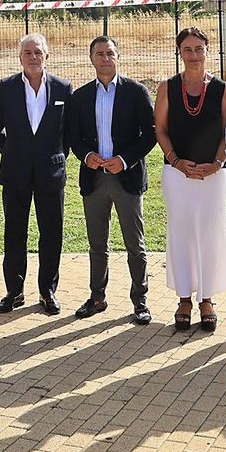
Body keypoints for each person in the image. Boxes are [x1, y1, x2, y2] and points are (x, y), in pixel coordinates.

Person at [66, 36, 157, 325]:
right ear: (91, 58)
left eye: (110, 53)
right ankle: (97, 297)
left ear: (118, 57)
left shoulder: (136, 92)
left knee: (135, 244)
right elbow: (73, 137)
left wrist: (125, 160)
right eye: (99, 54)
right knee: (97, 245)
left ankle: (140, 300)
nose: (105, 59)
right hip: (94, 180)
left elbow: (150, 134)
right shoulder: (80, 96)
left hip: (126, 178)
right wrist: (86, 155)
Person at [155, 27, 226, 332]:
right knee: (182, 234)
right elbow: (160, 129)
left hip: (214, 176)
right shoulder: (167, 88)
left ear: (207, 50)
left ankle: (207, 299)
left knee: (210, 234)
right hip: (177, 175)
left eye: (199, 48)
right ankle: (184, 300)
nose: (193, 55)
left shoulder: (222, 89)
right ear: (179, 52)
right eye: (187, 49)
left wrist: (217, 163)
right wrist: (176, 161)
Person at [0, 33, 72, 316]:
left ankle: (48, 291)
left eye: (38, 52)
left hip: (51, 172)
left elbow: (69, 131)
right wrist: (10, 150)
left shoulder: (63, 88)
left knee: (51, 233)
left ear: (47, 56)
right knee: (14, 232)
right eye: (28, 53)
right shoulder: (7, 87)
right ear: (20, 57)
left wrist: (58, 155)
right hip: (16, 172)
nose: (33, 57)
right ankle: (14, 291)